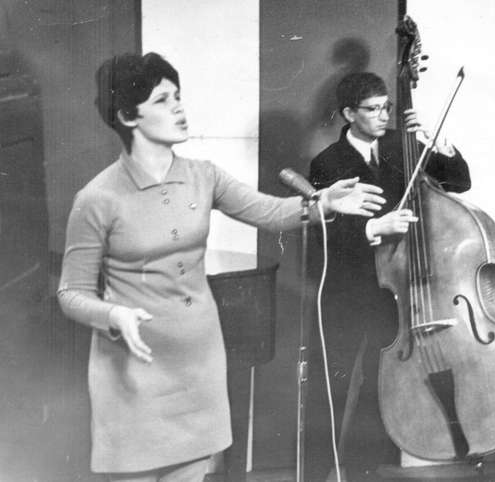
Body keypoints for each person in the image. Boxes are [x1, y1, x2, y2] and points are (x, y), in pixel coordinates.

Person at [56, 52, 385, 482]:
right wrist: (113, 314)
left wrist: (322, 203)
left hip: (198, 364)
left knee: (194, 472)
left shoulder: (204, 175)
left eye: (178, 96)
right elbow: (71, 293)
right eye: (162, 100)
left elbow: (269, 211)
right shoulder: (97, 198)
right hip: (134, 370)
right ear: (127, 116)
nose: (179, 108)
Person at [306, 72, 471, 481]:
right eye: (373, 109)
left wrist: (436, 141)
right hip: (347, 291)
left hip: (395, 291)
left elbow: (459, 181)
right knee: (331, 385)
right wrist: (373, 228)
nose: (383, 116)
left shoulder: (404, 144)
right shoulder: (327, 162)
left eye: (387, 107)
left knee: (382, 384)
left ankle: (366, 469)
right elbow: (322, 234)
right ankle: (316, 473)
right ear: (349, 114)